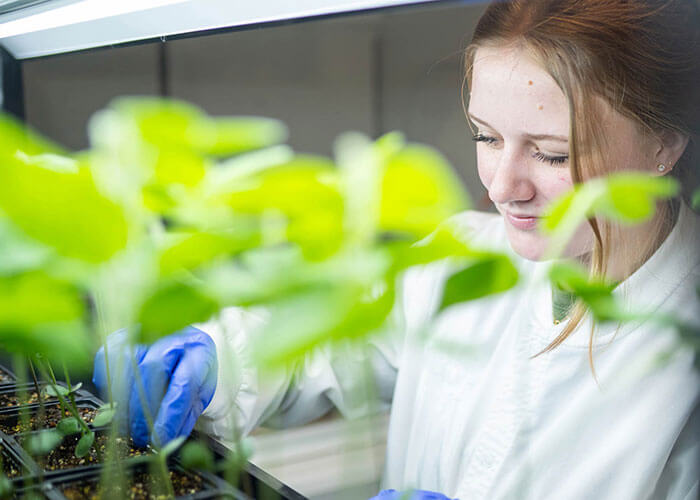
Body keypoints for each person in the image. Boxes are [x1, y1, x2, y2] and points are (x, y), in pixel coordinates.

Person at [93, 0, 700, 498]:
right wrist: (214, 361)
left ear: (663, 146)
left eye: (553, 153)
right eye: (485, 137)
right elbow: (325, 344)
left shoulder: (686, 354)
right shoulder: (460, 256)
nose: (500, 186)